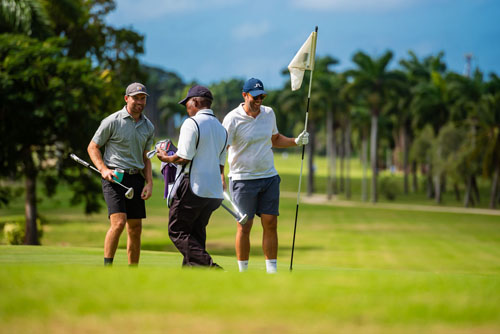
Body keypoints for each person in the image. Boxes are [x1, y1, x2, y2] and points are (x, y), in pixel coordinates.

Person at [222, 78, 309, 273]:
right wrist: (220, 173)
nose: (259, 100)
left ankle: (272, 272)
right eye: (255, 96)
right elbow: (223, 148)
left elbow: (275, 139)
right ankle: (243, 272)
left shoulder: (269, 113)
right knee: (245, 225)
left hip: (268, 177)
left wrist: (297, 141)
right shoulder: (232, 118)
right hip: (242, 179)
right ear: (244, 96)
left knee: (271, 223)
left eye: (262, 96)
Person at [157, 85, 228, 268]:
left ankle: (212, 268)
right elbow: (220, 165)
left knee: (177, 231)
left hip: (193, 186)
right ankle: (193, 277)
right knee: (195, 234)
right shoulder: (222, 129)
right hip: (213, 192)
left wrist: (165, 157)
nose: (186, 109)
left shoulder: (192, 123)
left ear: (195, 102)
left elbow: (183, 157)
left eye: (187, 104)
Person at [88, 82, 154, 266]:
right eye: (136, 98)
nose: (140, 102)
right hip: (114, 177)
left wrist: (149, 182)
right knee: (118, 223)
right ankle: (107, 267)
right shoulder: (112, 121)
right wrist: (103, 169)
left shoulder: (148, 127)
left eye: (143, 98)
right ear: (127, 98)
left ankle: (133, 271)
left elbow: (146, 157)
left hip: (136, 178)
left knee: (135, 228)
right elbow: (93, 147)